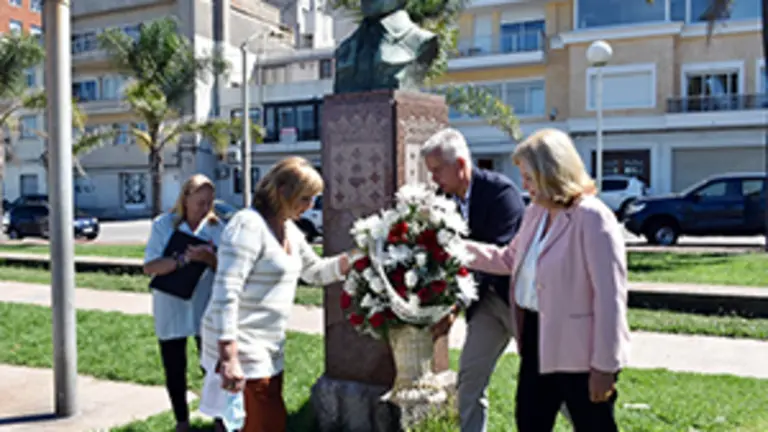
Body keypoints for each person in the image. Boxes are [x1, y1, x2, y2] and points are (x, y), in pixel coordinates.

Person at [463, 128, 631, 431]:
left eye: (529, 177)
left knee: (594, 425)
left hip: (581, 352)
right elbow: (509, 259)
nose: (524, 186)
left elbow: (611, 298)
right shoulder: (535, 213)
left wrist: (605, 365)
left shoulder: (593, 217)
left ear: (552, 172)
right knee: (529, 422)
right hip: (536, 339)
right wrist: (455, 248)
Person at [200, 156, 354, 432]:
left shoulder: (290, 229)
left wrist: (357, 257)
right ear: (282, 190)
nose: (310, 206)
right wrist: (228, 356)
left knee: (256, 421)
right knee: (262, 422)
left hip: (270, 345)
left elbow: (315, 272)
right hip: (241, 344)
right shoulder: (247, 225)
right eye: (305, 198)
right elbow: (226, 291)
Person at [421, 128, 526, 432]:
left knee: (547, 379)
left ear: (461, 165)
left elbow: (498, 257)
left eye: (438, 170)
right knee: (470, 378)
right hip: (484, 307)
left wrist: (456, 305)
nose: (433, 179)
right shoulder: (442, 200)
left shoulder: (501, 193)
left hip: (516, 301)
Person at [143, 174, 224, 432]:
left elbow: (227, 269)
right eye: (200, 202)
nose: (205, 208)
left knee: (212, 364)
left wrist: (210, 259)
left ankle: (220, 418)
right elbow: (150, 266)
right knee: (174, 364)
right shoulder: (163, 225)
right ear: (185, 199)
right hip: (171, 303)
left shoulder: (216, 228)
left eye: (209, 202)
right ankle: (182, 421)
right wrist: (183, 260)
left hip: (204, 303)